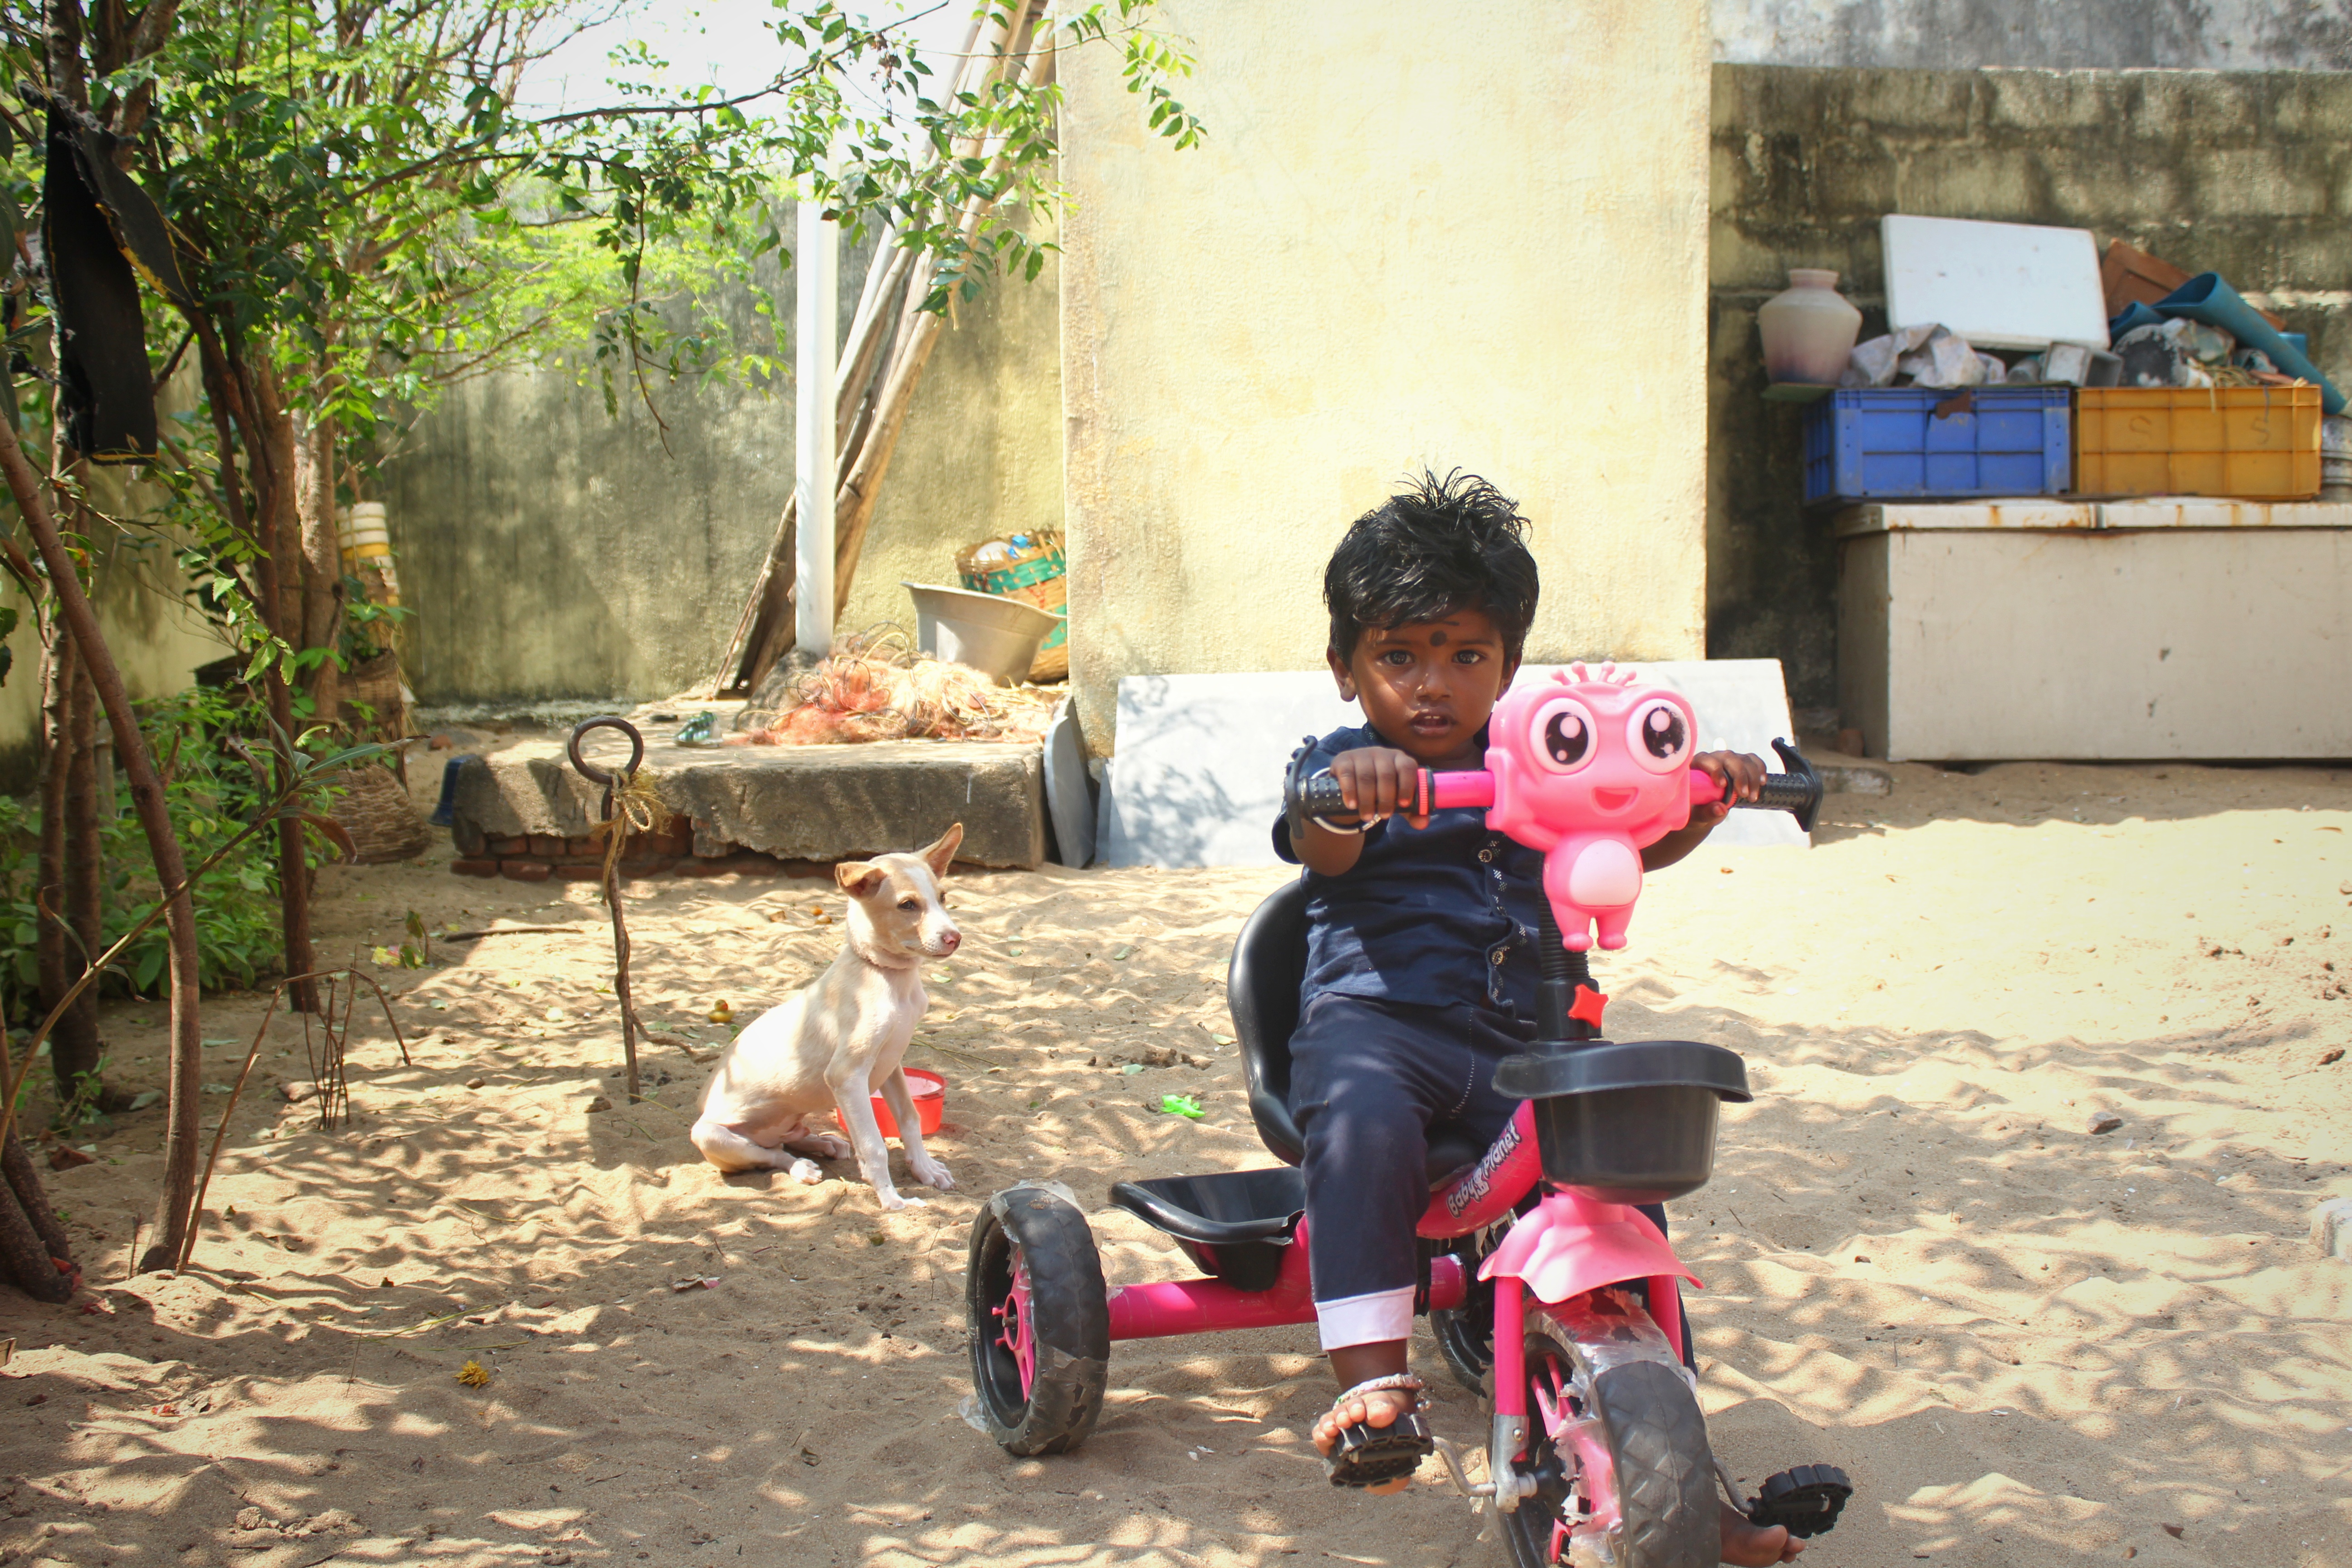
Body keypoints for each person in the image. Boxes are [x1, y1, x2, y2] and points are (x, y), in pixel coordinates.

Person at [1275, 471, 1800, 1564]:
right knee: (1363, 1120)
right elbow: (1318, 838)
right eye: (1399, 655)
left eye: (1467, 655)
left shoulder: (1547, 756)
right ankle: (1375, 1392)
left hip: (1529, 1038)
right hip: (1383, 1023)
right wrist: (1347, 792)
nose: (1434, 685)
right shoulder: (1337, 765)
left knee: (1625, 1176)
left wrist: (1703, 791)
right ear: (1346, 669)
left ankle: (1686, 1478)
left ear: (1509, 664)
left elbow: (1637, 834)